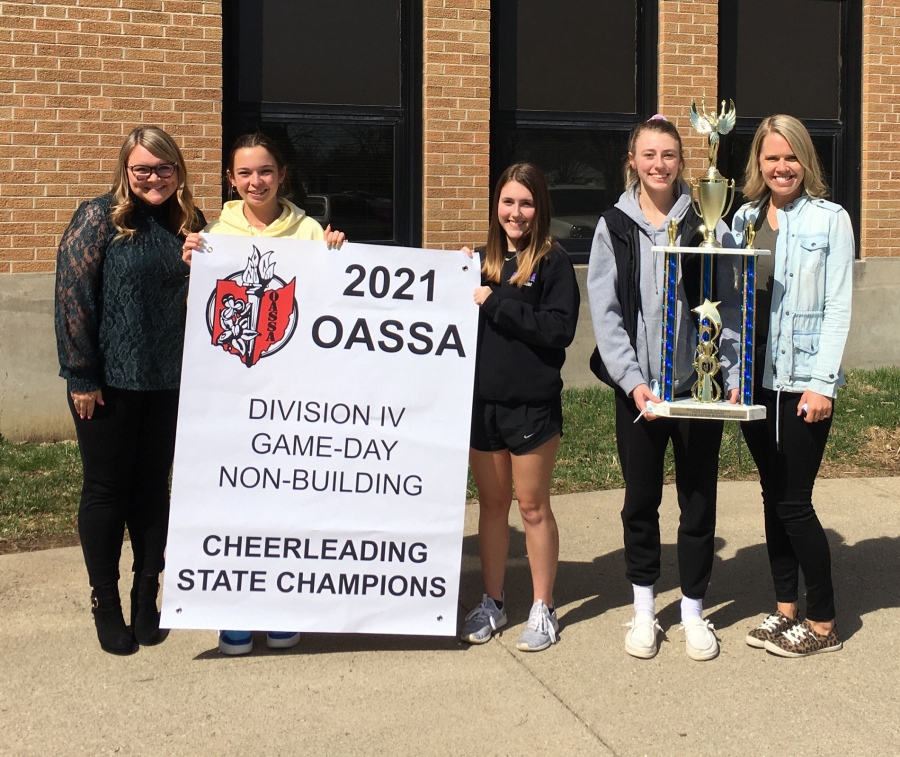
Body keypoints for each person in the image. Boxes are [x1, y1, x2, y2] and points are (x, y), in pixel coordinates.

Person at [182, 131, 345, 655]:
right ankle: (234, 609)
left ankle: (280, 606)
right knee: (235, 501)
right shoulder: (212, 234)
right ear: (232, 178)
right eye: (245, 172)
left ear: (282, 175)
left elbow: (329, 306)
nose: (256, 181)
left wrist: (337, 259)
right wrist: (191, 264)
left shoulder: (309, 230)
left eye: (266, 171)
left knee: (284, 502)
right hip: (231, 395)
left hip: (292, 392)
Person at [587, 115, 741, 661]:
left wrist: (727, 373)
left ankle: (694, 611)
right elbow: (605, 314)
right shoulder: (614, 225)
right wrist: (631, 383)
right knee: (640, 502)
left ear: (682, 161)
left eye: (669, 155)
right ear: (633, 160)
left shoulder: (708, 221)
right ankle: (645, 610)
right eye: (648, 155)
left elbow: (732, 303)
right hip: (640, 395)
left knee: (698, 504)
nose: (658, 164)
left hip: (694, 390)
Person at [55, 125, 206, 655]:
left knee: (151, 489)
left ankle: (148, 597)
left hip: (168, 381)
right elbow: (73, 294)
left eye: (164, 168)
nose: (153, 178)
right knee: (106, 490)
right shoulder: (98, 216)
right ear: (126, 170)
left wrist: (199, 266)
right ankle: (106, 602)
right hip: (109, 383)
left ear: (178, 171)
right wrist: (81, 374)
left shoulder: (191, 224)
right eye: (142, 168)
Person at [733, 115, 853, 657]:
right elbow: (730, 306)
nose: (782, 168)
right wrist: (728, 377)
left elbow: (837, 308)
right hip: (754, 378)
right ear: (758, 163)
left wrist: (822, 383)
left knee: (795, 501)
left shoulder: (831, 220)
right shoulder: (740, 220)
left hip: (802, 379)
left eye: (791, 157)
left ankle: (824, 622)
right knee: (771, 494)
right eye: (771, 158)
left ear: (806, 160)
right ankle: (786, 610)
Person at [459, 163, 580, 652]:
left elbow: (558, 330)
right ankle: (493, 601)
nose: (516, 212)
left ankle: (542, 607)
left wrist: (496, 304)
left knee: (531, 507)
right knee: (491, 508)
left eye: (526, 203)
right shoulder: (478, 263)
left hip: (531, 407)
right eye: (508, 202)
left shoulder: (553, 263)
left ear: (540, 207)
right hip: (481, 406)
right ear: (496, 206)